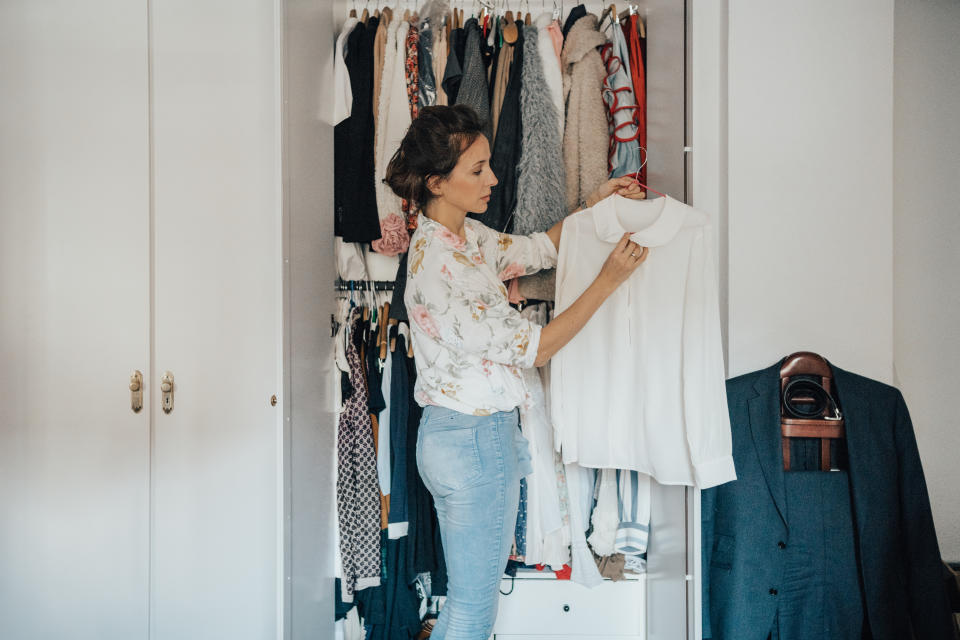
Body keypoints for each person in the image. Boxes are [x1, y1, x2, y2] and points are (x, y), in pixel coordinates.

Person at [384, 104, 648, 640]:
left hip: (467, 438)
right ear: (437, 182)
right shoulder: (443, 269)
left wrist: (594, 205)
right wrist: (608, 279)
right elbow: (540, 347)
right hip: (473, 443)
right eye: (477, 170)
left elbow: (537, 249)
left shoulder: (463, 238)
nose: (494, 178)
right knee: (471, 614)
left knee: (466, 605)